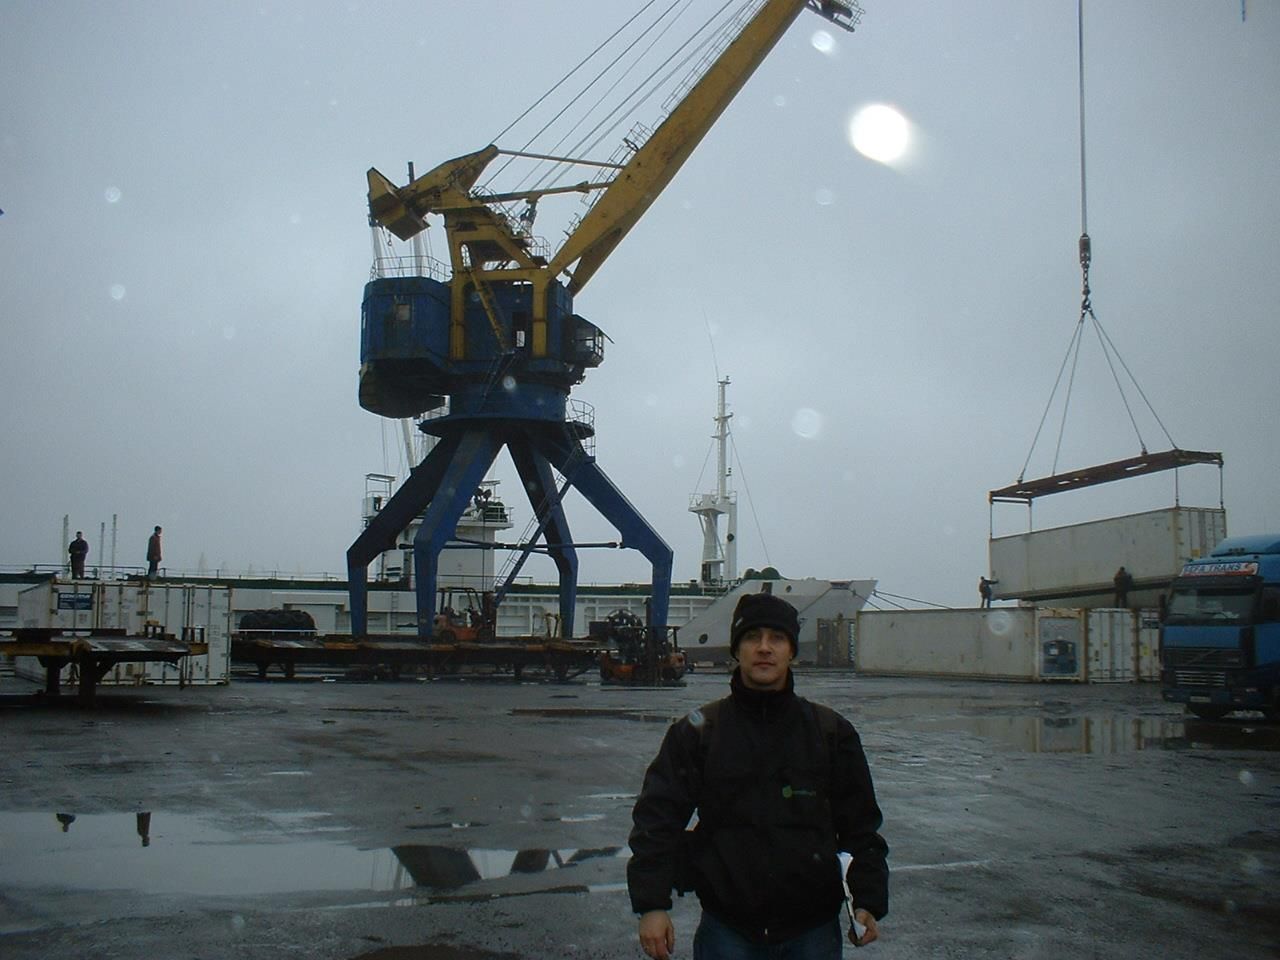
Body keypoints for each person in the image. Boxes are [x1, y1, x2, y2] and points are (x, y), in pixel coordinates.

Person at [628, 592, 889, 960]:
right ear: (737, 649)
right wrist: (652, 905)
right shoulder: (698, 733)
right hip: (727, 931)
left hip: (812, 933)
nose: (764, 648)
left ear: (791, 651)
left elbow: (861, 827)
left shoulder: (831, 733)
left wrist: (869, 900)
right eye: (752, 637)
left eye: (777, 638)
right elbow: (657, 820)